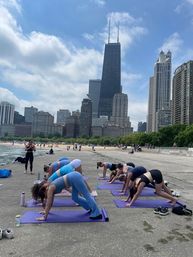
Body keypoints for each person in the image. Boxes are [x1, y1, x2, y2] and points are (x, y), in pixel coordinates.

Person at [31, 171, 102, 221]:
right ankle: (89, 207)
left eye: (44, 196)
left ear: (43, 191)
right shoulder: (50, 187)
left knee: (86, 195)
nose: (45, 197)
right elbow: (50, 202)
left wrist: (45, 217)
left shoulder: (50, 188)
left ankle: (97, 213)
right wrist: (45, 211)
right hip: (74, 178)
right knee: (75, 197)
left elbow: (49, 202)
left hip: (75, 177)